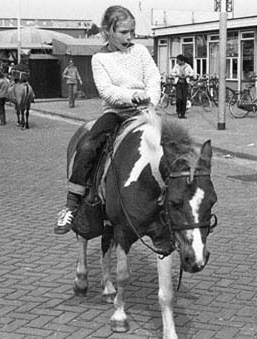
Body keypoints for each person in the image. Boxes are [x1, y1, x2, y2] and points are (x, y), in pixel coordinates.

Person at [54, 5, 161, 235]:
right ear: (108, 31)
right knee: (88, 145)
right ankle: (72, 203)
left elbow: (153, 78)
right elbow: (107, 91)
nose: (129, 37)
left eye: (132, 31)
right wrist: (132, 96)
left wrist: (151, 101)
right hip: (116, 112)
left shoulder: (141, 51)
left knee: (173, 144)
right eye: (123, 32)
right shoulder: (99, 58)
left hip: (145, 112)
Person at [170, 54, 195, 119]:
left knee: (184, 99)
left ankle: (183, 113)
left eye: (178, 60)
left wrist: (187, 75)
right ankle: (179, 112)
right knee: (179, 98)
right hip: (178, 83)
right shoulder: (176, 66)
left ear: (182, 61)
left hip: (185, 83)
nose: (177, 62)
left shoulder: (187, 66)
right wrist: (177, 75)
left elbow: (192, 72)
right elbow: (172, 73)